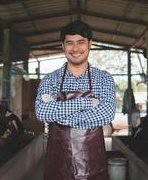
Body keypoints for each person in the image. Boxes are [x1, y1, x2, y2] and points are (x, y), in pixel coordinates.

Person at [35, 20, 116, 180]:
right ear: (63, 46)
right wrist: (86, 103)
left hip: (93, 168)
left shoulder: (104, 79)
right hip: (57, 169)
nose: (75, 48)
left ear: (89, 44)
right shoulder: (50, 80)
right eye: (70, 43)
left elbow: (106, 114)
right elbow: (43, 112)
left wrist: (59, 114)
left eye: (81, 42)